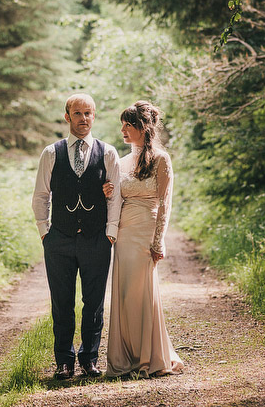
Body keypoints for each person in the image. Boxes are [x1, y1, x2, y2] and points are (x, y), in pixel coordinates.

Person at [32, 93, 122, 379]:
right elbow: (41, 195)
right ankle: (63, 361)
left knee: (94, 301)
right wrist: (45, 231)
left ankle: (89, 358)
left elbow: (116, 196)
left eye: (89, 113)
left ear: (94, 116)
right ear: (67, 116)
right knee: (62, 301)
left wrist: (110, 233)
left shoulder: (107, 152)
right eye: (78, 113)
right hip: (59, 238)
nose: (84, 118)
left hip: (97, 238)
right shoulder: (51, 152)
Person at [103, 100, 184, 378]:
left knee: (142, 291)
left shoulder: (161, 159)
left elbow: (165, 202)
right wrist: (108, 192)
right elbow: (116, 200)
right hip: (125, 233)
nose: (124, 130)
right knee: (124, 293)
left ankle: (149, 357)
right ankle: (125, 357)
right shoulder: (122, 162)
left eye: (129, 125)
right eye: (122, 125)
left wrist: (159, 240)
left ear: (143, 127)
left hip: (146, 231)